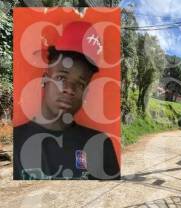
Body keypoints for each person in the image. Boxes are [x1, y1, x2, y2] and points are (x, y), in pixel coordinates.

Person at [13, 21, 120, 180]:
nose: (69, 89)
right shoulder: (15, 143)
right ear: (45, 79)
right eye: (61, 77)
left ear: (86, 93)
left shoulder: (100, 145)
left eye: (80, 83)